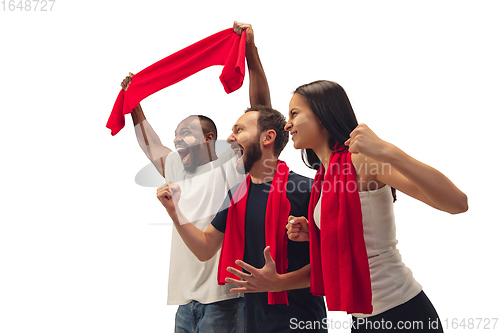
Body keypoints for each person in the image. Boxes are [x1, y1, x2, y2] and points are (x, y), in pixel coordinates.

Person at [284, 80, 468, 332]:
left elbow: (457, 203)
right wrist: (317, 231)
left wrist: (388, 151)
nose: (288, 124)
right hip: (363, 319)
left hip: (401, 312)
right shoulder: (324, 177)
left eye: (294, 113)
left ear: (322, 113)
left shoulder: (361, 161)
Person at [122, 21, 271, 333]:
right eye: (176, 136)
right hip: (185, 303)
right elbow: (151, 145)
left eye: (186, 134)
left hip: (224, 300)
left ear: (209, 138)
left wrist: (251, 54)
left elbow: (261, 115)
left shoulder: (231, 163)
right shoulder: (177, 166)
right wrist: (133, 102)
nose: (177, 141)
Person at [157, 104, 328, 332]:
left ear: (268, 137)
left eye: (239, 130)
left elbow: (333, 266)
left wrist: (279, 283)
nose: (229, 138)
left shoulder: (307, 190)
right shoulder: (236, 196)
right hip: (252, 323)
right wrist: (174, 211)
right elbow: (205, 249)